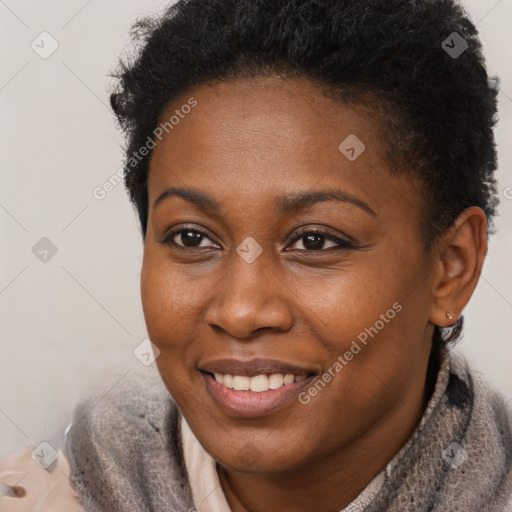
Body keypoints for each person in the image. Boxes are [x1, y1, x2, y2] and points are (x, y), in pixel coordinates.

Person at [1, 0, 511, 510]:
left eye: (315, 241)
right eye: (191, 237)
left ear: (452, 267)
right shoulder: (45, 495)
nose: (241, 311)